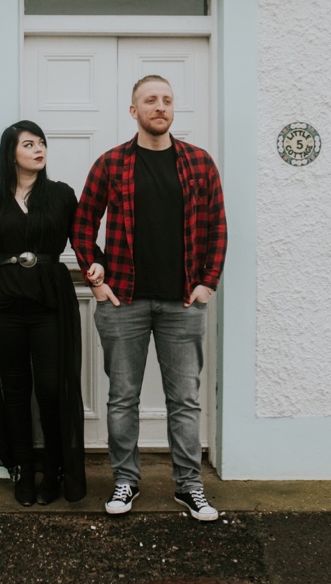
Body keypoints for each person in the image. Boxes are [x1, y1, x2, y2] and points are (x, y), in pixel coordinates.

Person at [72, 75, 227, 521]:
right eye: (150, 101)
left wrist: (207, 283)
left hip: (182, 303)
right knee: (123, 397)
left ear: (173, 109)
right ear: (133, 111)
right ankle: (125, 480)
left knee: (185, 400)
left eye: (167, 100)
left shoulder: (199, 163)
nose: (160, 107)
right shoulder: (111, 164)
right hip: (124, 303)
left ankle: (189, 485)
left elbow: (217, 226)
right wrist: (95, 277)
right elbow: (83, 224)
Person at [0, 121, 88, 506]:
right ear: (11, 152)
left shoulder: (60, 195)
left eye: (42, 143)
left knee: (52, 389)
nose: (39, 149)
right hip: (2, 305)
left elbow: (82, 240)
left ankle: (54, 468)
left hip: (48, 304)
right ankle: (22, 469)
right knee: (15, 390)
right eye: (29, 143)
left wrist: (96, 265)